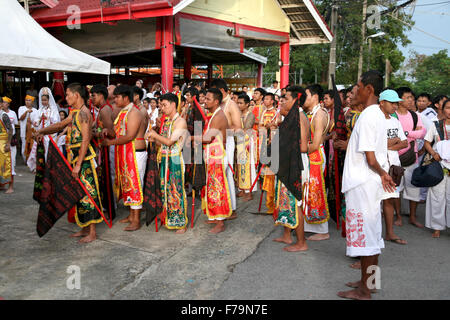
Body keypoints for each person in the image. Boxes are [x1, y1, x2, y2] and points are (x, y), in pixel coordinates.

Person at [338, 70, 396, 300]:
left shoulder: (369, 116)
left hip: (363, 183)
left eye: (358, 87)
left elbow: (371, 158)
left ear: (369, 89)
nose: (355, 92)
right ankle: (369, 282)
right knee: (372, 235)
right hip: (368, 183)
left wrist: (382, 173)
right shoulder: (376, 114)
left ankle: (364, 290)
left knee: (366, 238)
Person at [34, 83, 104, 243]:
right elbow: (60, 125)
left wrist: (79, 164)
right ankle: (85, 227)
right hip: (76, 158)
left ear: (76, 95)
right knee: (79, 194)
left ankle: (92, 232)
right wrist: (41, 131)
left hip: (84, 160)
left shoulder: (84, 113)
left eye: (67, 95)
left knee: (89, 194)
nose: (66, 98)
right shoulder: (75, 112)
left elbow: (86, 139)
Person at [104, 85, 147, 232]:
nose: (115, 99)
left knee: (135, 184)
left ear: (125, 98)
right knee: (128, 182)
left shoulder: (134, 112)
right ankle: (131, 215)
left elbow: (129, 136)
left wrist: (110, 142)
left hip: (135, 152)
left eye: (117, 97)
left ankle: (136, 219)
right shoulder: (124, 111)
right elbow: (119, 134)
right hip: (126, 152)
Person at [273, 86, 310, 252]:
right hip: (288, 161)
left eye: (285, 98)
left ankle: (301, 242)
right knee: (287, 200)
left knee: (295, 202)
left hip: (296, 163)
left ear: (295, 100)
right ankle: (287, 234)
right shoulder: (292, 116)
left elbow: (302, 147)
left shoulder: (300, 118)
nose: (282, 101)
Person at [146, 93, 188, 234]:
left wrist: (154, 134)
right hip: (164, 158)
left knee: (175, 190)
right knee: (164, 189)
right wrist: (153, 138)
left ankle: (180, 222)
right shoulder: (167, 121)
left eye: (164, 105)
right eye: (161, 105)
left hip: (175, 159)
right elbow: (162, 142)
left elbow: (170, 141)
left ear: (173, 104)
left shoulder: (180, 121)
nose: (162, 108)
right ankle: (167, 217)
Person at [200, 88, 233, 233]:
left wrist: (190, 138)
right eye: (205, 98)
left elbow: (208, 138)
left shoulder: (219, 116)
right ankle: (214, 215)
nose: (204, 101)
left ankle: (220, 222)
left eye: (208, 99)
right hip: (212, 155)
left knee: (217, 188)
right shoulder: (213, 114)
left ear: (216, 101)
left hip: (217, 157)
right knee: (212, 186)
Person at [379, 90, 408, 245]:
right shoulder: (375, 120)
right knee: (374, 202)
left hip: (393, 166)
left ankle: (389, 233)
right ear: (382, 102)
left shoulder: (395, 121)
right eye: (392, 103)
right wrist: (393, 142)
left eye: (397, 103)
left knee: (389, 200)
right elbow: (373, 146)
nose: (395, 106)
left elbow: (405, 143)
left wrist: (388, 145)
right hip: (377, 166)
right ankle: (373, 236)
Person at [395, 87, 426, 228]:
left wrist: (406, 133)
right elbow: (393, 134)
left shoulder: (414, 115)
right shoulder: (393, 115)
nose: (411, 100)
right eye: (407, 97)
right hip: (395, 157)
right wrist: (413, 133)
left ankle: (413, 217)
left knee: (413, 188)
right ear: (399, 99)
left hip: (411, 158)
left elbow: (422, 133)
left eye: (411, 98)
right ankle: (398, 216)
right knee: (396, 189)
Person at [303, 84, 331, 241]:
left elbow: (315, 143)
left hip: (314, 155)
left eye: (306, 96)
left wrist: (299, 150)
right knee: (310, 190)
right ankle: (310, 225)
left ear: (314, 97)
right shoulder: (312, 112)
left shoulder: (319, 115)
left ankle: (322, 229)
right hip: (310, 155)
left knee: (316, 191)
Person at [210, 79, 241, 219]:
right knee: (218, 175)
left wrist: (221, 130)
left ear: (221, 91)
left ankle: (230, 209)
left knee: (225, 174)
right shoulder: (215, 104)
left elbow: (238, 126)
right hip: (213, 142)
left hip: (226, 141)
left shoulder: (231, 104)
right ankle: (220, 209)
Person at [423, 99, 450, 238]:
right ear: (442, 109)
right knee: (437, 196)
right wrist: (433, 153)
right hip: (437, 165)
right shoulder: (435, 125)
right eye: (448, 108)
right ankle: (437, 226)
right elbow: (427, 143)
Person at [27, 87, 61, 172]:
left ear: (49, 99)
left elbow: (56, 121)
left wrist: (48, 118)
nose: (43, 102)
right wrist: (36, 122)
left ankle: (49, 167)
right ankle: (39, 167)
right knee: (38, 150)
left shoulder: (53, 110)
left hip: (50, 134)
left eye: (45, 100)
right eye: (42, 100)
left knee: (48, 151)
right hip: (41, 133)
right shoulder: (40, 110)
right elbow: (36, 121)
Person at [259, 92, 279, 214]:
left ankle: (274, 203)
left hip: (273, 146)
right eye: (264, 99)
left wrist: (271, 127)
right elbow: (261, 126)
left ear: (272, 101)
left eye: (267, 99)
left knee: (272, 173)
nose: (265, 101)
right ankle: (269, 204)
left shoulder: (276, 113)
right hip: (264, 143)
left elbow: (276, 128)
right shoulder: (263, 112)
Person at [236, 94, 257, 201]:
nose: (238, 105)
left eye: (241, 103)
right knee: (240, 166)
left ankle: (249, 192)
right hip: (239, 142)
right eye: (238, 103)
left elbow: (246, 128)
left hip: (247, 142)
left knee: (248, 167)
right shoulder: (238, 114)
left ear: (247, 104)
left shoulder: (250, 115)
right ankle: (242, 189)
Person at [2, 97, 18, 185]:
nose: (3, 104)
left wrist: (8, 142)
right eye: (2, 102)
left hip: (10, 139)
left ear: (8, 104)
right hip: (2, 140)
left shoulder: (12, 113)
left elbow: (13, 126)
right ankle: (3, 183)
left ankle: (11, 185)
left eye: (5, 103)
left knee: (11, 161)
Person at [18, 95, 38, 162]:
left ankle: (31, 161)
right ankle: (25, 160)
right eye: (26, 100)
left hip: (32, 131)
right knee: (24, 145)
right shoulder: (21, 108)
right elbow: (21, 118)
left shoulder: (35, 110)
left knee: (32, 146)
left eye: (29, 100)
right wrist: (26, 112)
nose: (27, 102)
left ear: (32, 102)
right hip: (23, 131)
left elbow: (36, 122)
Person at [0, 97, 14, 193]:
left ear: (1, 104)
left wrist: (8, 143)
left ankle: (10, 187)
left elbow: (11, 129)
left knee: (7, 164)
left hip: (3, 142)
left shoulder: (3, 115)